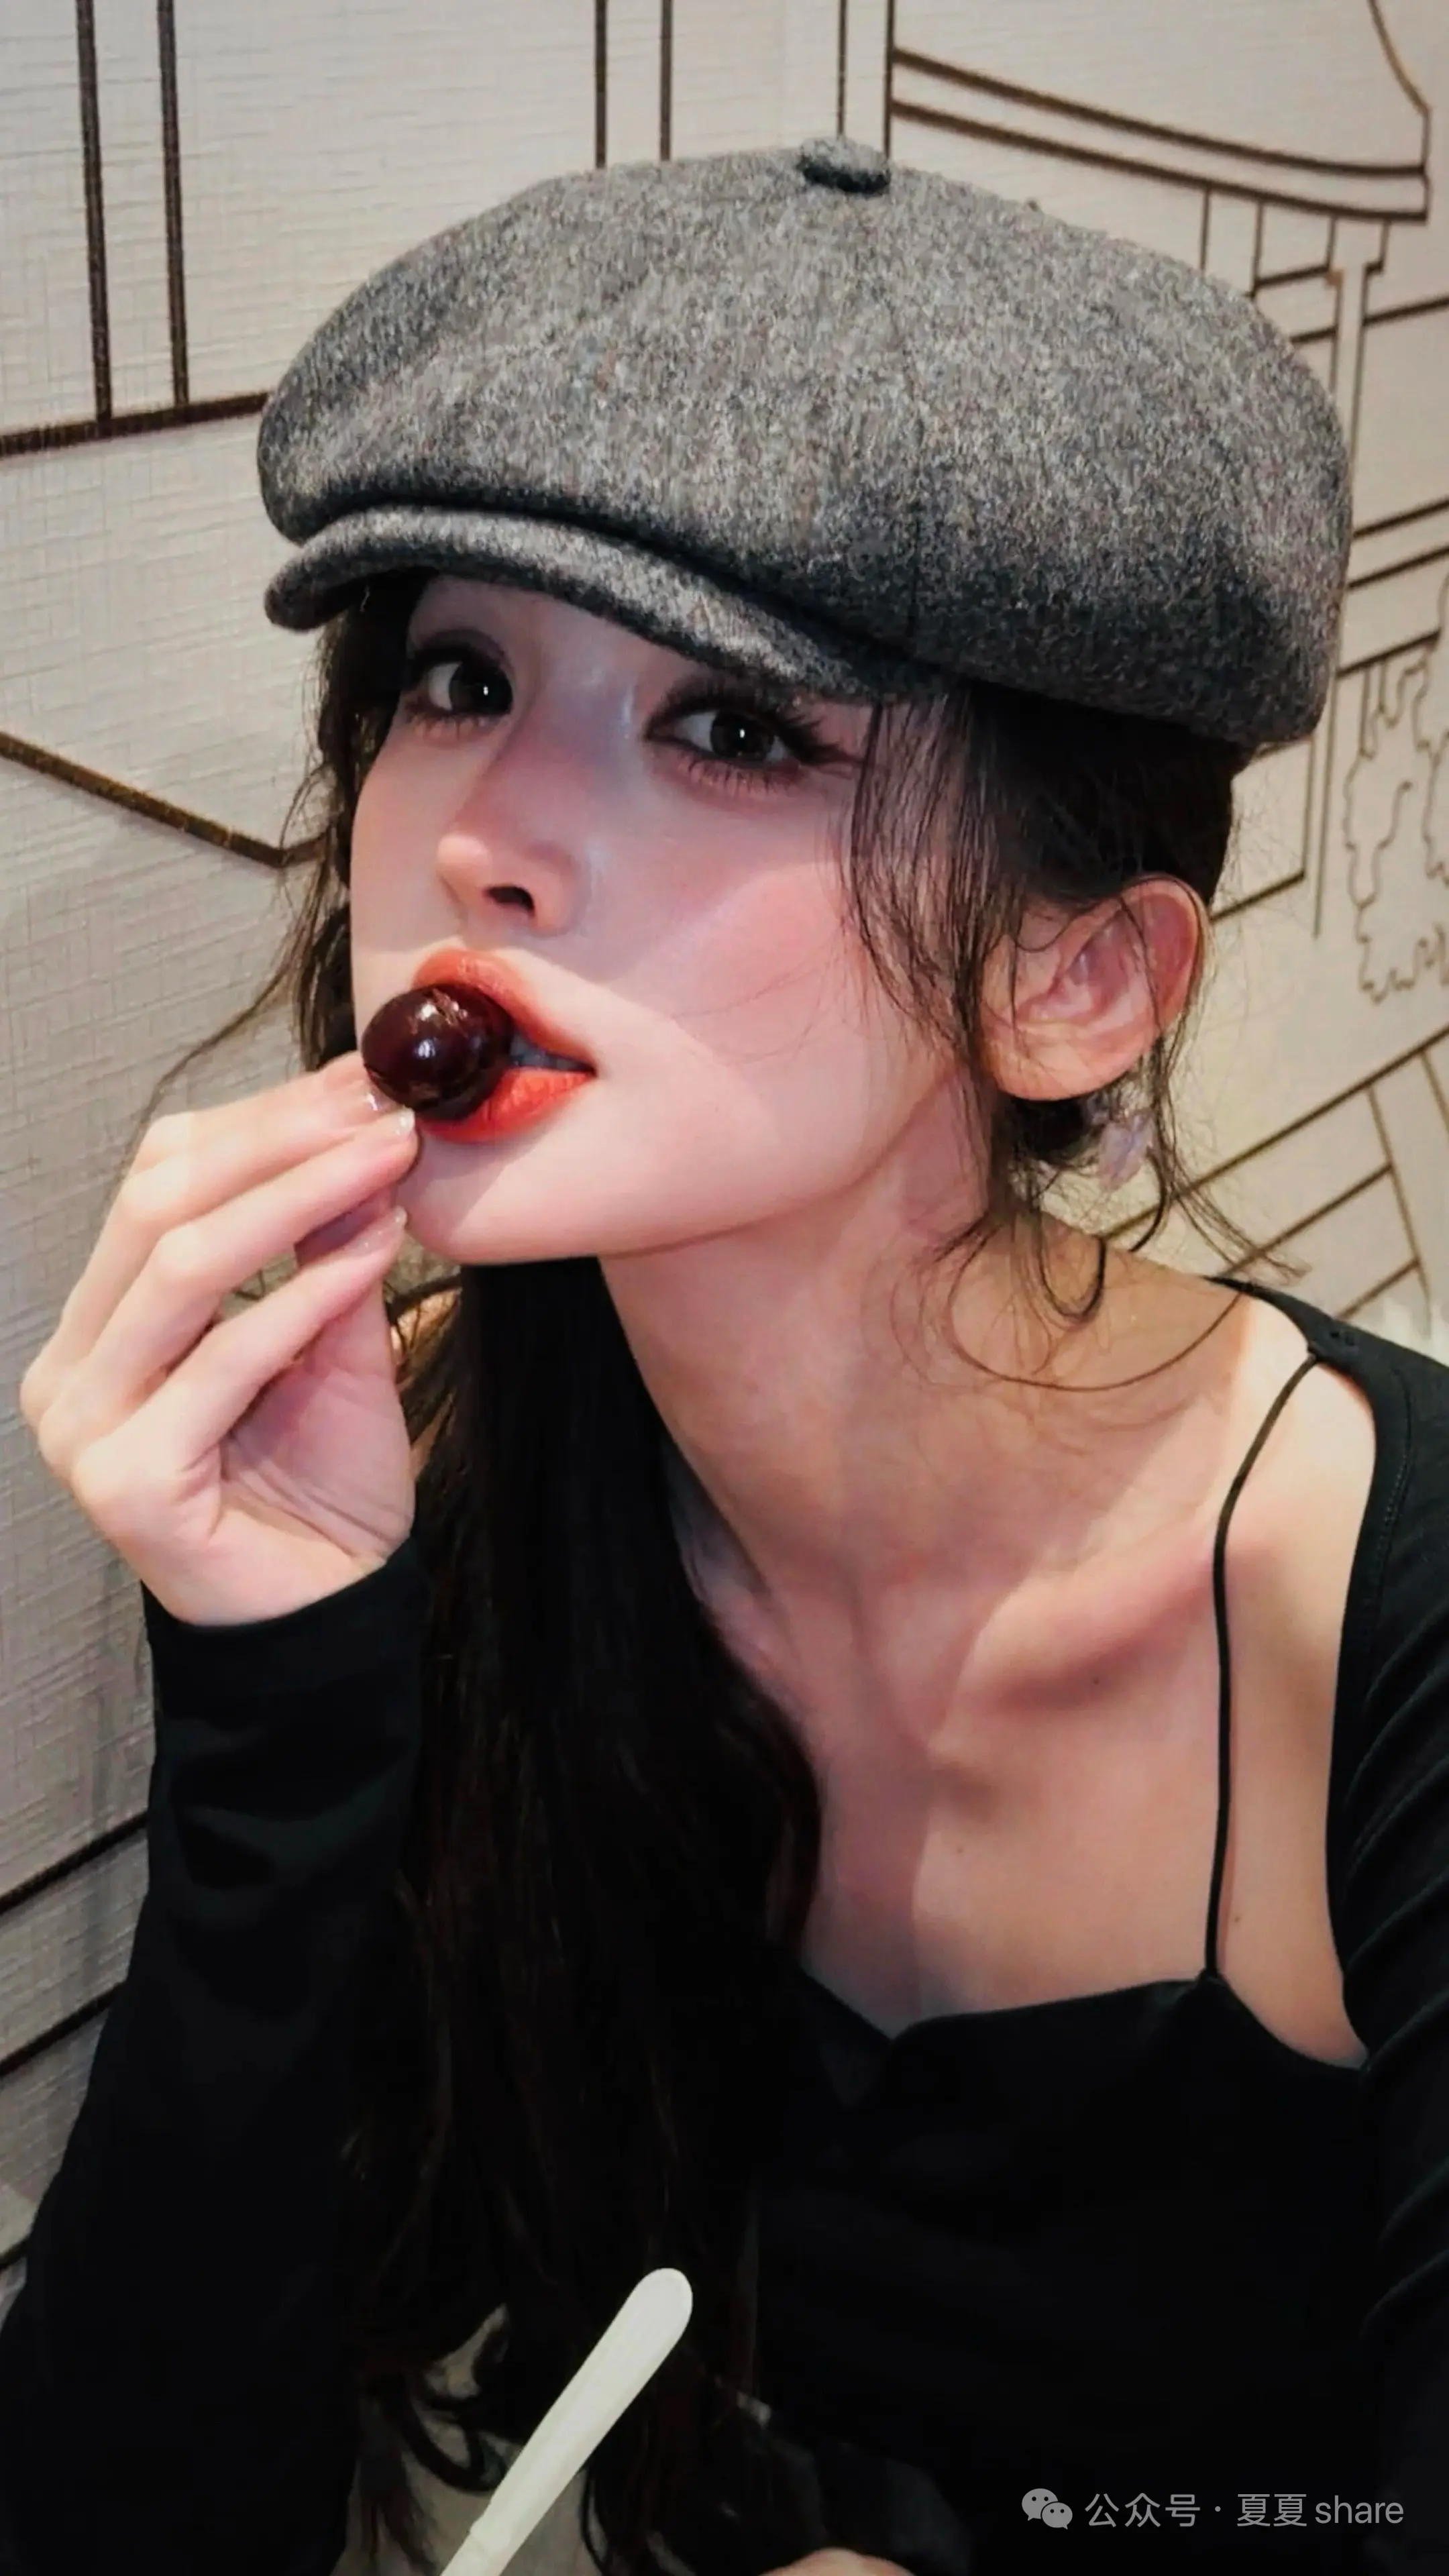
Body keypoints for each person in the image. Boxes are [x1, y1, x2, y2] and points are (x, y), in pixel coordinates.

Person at [3, 135, 1448, 2576]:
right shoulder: (450, 1494)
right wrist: (277, 1710)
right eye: (461, 679)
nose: (483, 841)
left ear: (1077, 975)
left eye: (737, 730)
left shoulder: (1390, 1622)